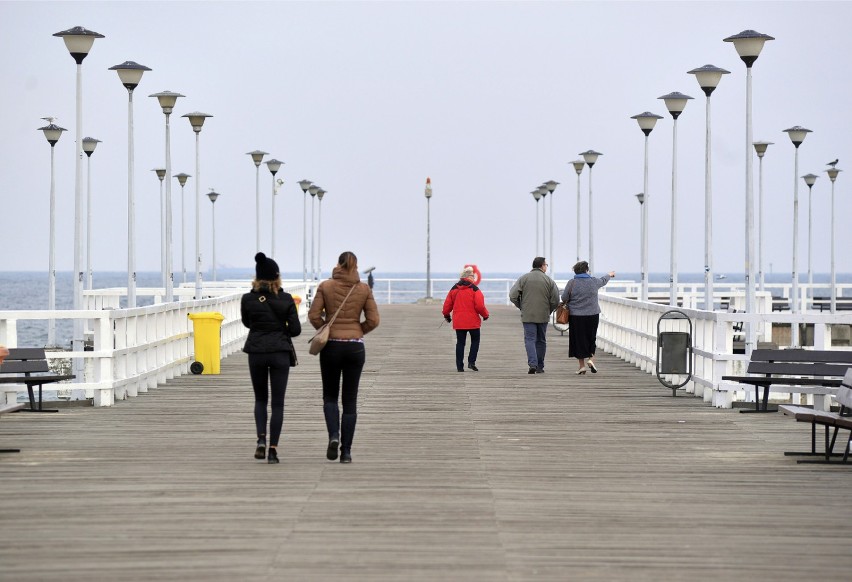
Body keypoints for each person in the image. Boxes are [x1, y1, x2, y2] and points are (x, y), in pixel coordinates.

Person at [309, 251, 380, 464]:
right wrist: (357, 331)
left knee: (330, 396)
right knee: (350, 401)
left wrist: (325, 329)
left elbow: (313, 315)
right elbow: (374, 320)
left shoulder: (326, 286)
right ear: (356, 266)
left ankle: (333, 436)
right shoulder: (363, 288)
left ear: (338, 264)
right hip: (355, 349)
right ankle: (346, 452)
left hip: (331, 347)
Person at [241, 252, 302, 464]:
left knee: (260, 399)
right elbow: (295, 330)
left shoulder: (248, 299)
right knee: (277, 403)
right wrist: (281, 326)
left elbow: (247, 323)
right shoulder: (285, 299)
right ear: (277, 277)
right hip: (279, 354)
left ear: (257, 278)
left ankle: (260, 440)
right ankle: (273, 450)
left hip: (256, 352)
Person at [509, 257, 560, 374]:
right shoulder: (549, 280)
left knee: (530, 339)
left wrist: (521, 306)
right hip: (543, 315)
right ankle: (540, 366)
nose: (546, 267)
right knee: (541, 340)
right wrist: (549, 310)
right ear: (542, 266)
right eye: (546, 265)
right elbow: (555, 300)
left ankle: (532, 363)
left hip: (528, 315)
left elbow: (512, 295)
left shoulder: (524, 278)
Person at [563, 260, 615, 375]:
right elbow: (603, 280)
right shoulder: (593, 281)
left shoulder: (571, 283)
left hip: (576, 316)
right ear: (586, 270)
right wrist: (609, 274)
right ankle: (591, 359)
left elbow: (564, 297)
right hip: (592, 315)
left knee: (578, 340)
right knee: (591, 337)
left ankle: (581, 366)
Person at [442, 266, 490, 372]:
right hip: (473, 321)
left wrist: (446, 315)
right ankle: (471, 362)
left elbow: (447, 305)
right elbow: (480, 306)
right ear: (469, 277)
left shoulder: (454, 288)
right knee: (475, 341)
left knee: (460, 343)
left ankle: (459, 366)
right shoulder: (475, 289)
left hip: (459, 321)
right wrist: (485, 315)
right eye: (472, 276)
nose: (473, 278)